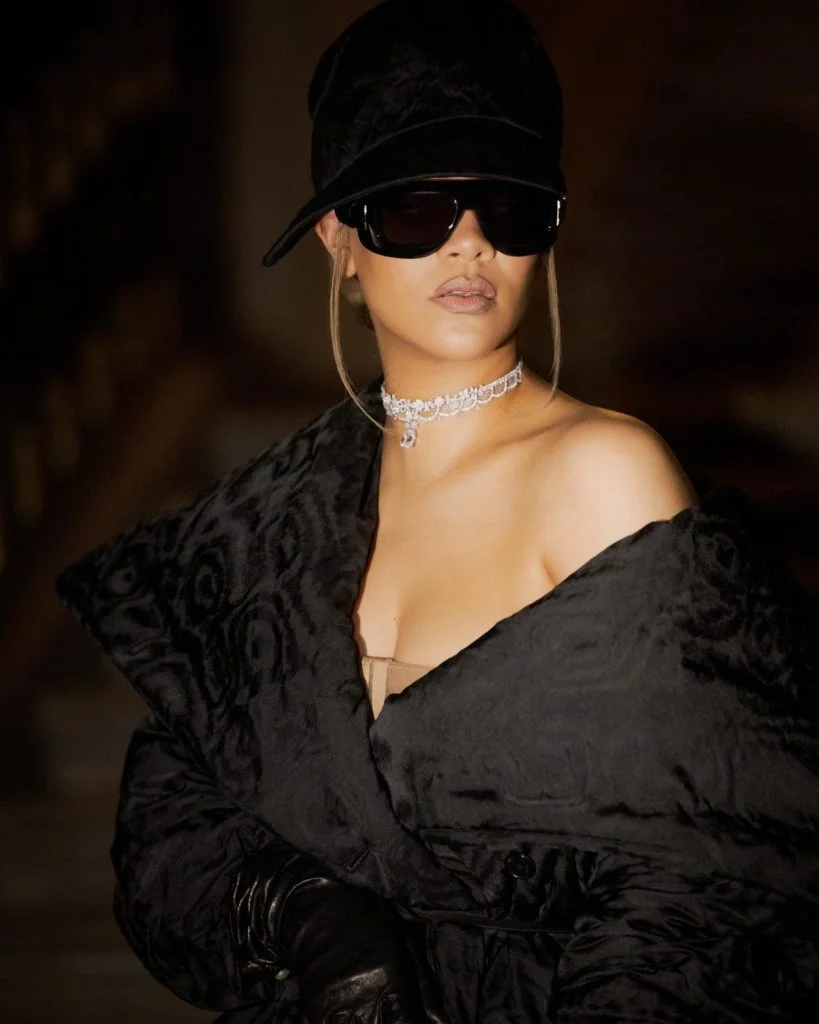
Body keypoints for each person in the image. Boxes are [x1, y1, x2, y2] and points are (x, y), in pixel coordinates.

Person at [57, 1, 819, 1022]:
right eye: (415, 210)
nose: (469, 244)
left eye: (509, 207)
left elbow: (715, 874)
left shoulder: (603, 473)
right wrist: (310, 917)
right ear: (339, 238)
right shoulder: (278, 519)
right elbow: (169, 827)